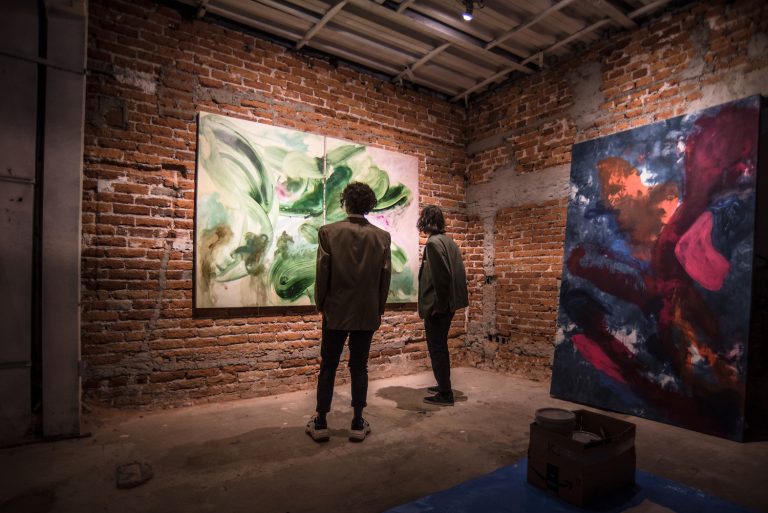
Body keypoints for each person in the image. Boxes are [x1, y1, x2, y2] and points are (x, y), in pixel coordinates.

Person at [306, 182, 391, 443]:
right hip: (366, 312)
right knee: (359, 366)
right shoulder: (382, 237)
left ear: (345, 202)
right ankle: (357, 422)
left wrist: (321, 304)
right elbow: (384, 278)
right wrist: (378, 309)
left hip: (336, 310)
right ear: (370, 205)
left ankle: (321, 421)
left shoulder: (328, 232)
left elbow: (322, 274)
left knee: (328, 365)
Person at [417, 205, 469, 406]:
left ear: (426, 221)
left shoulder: (433, 243)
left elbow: (442, 277)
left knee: (437, 348)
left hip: (440, 306)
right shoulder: (449, 241)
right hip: (450, 304)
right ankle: (443, 385)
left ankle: (446, 393)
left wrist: (438, 305)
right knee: (441, 346)